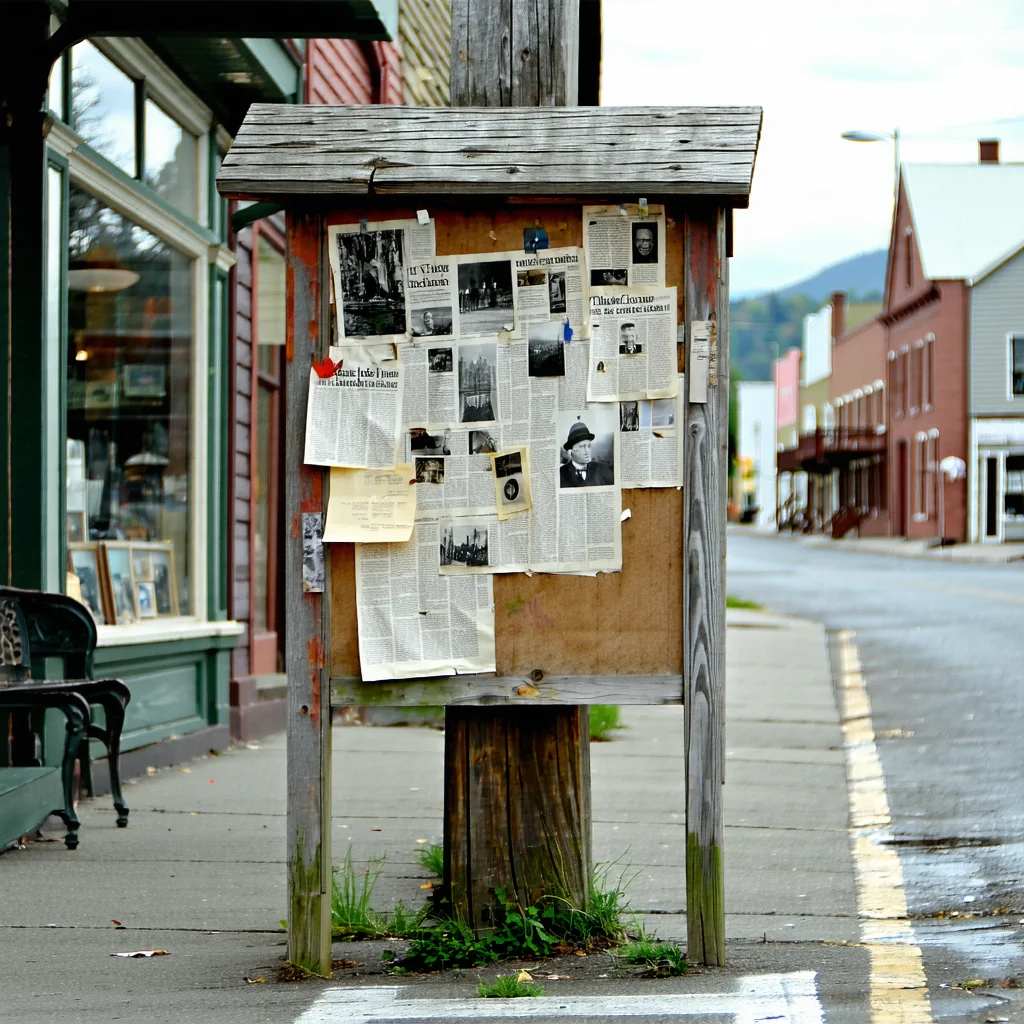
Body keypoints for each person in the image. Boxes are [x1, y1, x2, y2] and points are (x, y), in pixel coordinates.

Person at [559, 421, 614, 487]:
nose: (587, 451)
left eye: (589, 446)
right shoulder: (560, 473)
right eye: (582, 446)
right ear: (571, 451)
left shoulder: (603, 470)